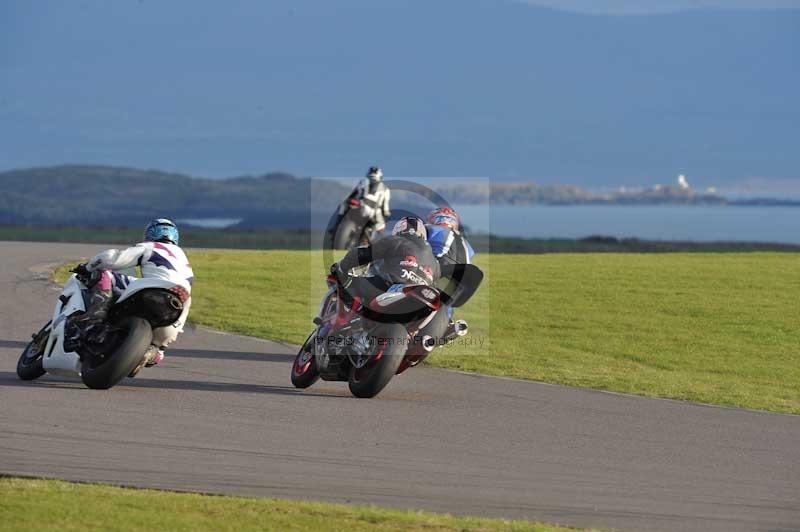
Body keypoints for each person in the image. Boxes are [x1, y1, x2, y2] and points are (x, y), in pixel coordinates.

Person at [69, 218, 194, 366]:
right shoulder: (185, 262)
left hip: (152, 288)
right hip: (177, 302)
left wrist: (87, 267)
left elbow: (112, 259)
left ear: (150, 233)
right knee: (183, 304)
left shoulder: (151, 246)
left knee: (104, 274)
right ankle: (156, 351)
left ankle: (94, 319)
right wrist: (165, 342)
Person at [332, 216, 439, 308]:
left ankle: (349, 317)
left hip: (391, 288)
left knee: (354, 283)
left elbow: (363, 255)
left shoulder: (396, 241)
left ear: (399, 230)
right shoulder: (435, 263)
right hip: (420, 301)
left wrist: (343, 266)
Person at [422, 207, 475, 343]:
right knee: (447, 300)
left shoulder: (430, 229)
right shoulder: (467, 244)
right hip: (458, 281)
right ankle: (447, 323)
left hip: (434, 273)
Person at [347, 166, 391, 235]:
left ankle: (335, 228)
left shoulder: (362, 182)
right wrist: (386, 213)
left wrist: (350, 201)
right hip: (374, 211)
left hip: (359, 205)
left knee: (344, 207)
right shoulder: (385, 189)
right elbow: (385, 207)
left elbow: (353, 194)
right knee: (380, 226)